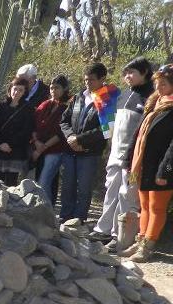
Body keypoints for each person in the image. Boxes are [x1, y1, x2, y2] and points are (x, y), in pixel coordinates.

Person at [88, 57, 155, 251]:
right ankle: (103, 229)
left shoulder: (151, 96)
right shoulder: (124, 95)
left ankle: (120, 236)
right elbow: (113, 126)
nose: (127, 76)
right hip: (115, 154)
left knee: (127, 195)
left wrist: (135, 156)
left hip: (134, 158)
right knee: (111, 190)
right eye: (125, 73)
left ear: (144, 73)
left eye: (132, 72)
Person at [120, 64, 173, 262]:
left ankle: (148, 245)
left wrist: (165, 171)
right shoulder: (154, 103)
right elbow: (139, 133)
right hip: (145, 164)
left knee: (157, 207)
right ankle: (141, 238)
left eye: (164, 84)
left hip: (163, 167)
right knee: (144, 205)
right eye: (157, 83)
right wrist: (128, 157)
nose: (158, 87)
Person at [59, 62, 118, 222]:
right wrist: (71, 137)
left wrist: (80, 140)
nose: (88, 83)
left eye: (91, 80)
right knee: (67, 186)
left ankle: (79, 220)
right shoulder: (78, 97)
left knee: (84, 189)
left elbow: (106, 129)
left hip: (90, 153)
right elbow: (64, 120)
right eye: (86, 79)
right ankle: (65, 217)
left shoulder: (107, 99)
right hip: (70, 150)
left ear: (102, 79)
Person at [0, 77, 35, 186]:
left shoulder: (28, 109)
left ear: (25, 92)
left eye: (20, 90)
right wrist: (0, 143)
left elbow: (26, 131)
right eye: (15, 89)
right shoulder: (1, 106)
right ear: (10, 89)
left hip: (15, 151)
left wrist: (10, 145)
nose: (17, 92)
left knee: (10, 184)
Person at [34, 75, 72, 205]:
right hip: (39, 147)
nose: (53, 91)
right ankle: (44, 207)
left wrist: (43, 147)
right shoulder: (45, 105)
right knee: (39, 179)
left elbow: (61, 132)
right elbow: (33, 124)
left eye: (57, 88)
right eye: (51, 88)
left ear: (64, 89)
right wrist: (37, 143)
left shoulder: (67, 107)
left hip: (56, 149)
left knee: (44, 181)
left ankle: (45, 209)